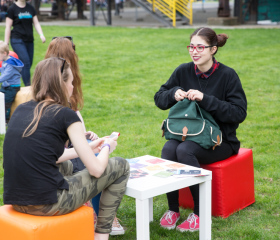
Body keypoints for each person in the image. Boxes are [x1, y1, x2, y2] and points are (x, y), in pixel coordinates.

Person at [3, 57, 130, 240]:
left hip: (16, 200)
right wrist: (107, 147)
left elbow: (47, 156)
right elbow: (96, 169)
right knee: (120, 165)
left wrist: (90, 147)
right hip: (46, 205)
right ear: (61, 84)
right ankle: (101, 234)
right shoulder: (66, 114)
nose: (72, 88)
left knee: (68, 166)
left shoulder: (22, 110)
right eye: (71, 82)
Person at [154, 27, 247, 232]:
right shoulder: (183, 71)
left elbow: (239, 113)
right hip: (187, 133)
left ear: (213, 49)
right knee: (169, 150)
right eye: (191, 47)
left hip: (221, 140)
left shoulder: (228, 75)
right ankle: (173, 210)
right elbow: (159, 98)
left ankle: (199, 213)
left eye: (200, 47)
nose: (194, 51)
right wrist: (173, 94)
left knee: (184, 150)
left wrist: (205, 99)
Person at [44, 36, 126, 236]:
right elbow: (64, 126)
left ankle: (96, 213)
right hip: (57, 157)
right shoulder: (61, 90)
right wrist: (105, 146)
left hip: (38, 173)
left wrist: (85, 135)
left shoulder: (48, 87)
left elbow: (72, 121)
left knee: (91, 150)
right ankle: (102, 221)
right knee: (106, 164)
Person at [4, 0, 46, 86]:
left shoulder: (30, 8)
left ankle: (14, 77)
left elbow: (36, 23)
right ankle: (28, 87)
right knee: (26, 62)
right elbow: (8, 27)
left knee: (28, 63)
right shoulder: (12, 9)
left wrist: (41, 35)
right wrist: (6, 43)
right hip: (17, 40)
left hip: (29, 40)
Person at [0, 40, 23, 122]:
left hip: (12, 87)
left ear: (5, 53)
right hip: (6, 85)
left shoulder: (10, 64)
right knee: (1, 100)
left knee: (6, 104)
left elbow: (6, 75)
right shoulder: (4, 60)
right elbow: (2, 70)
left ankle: (6, 120)